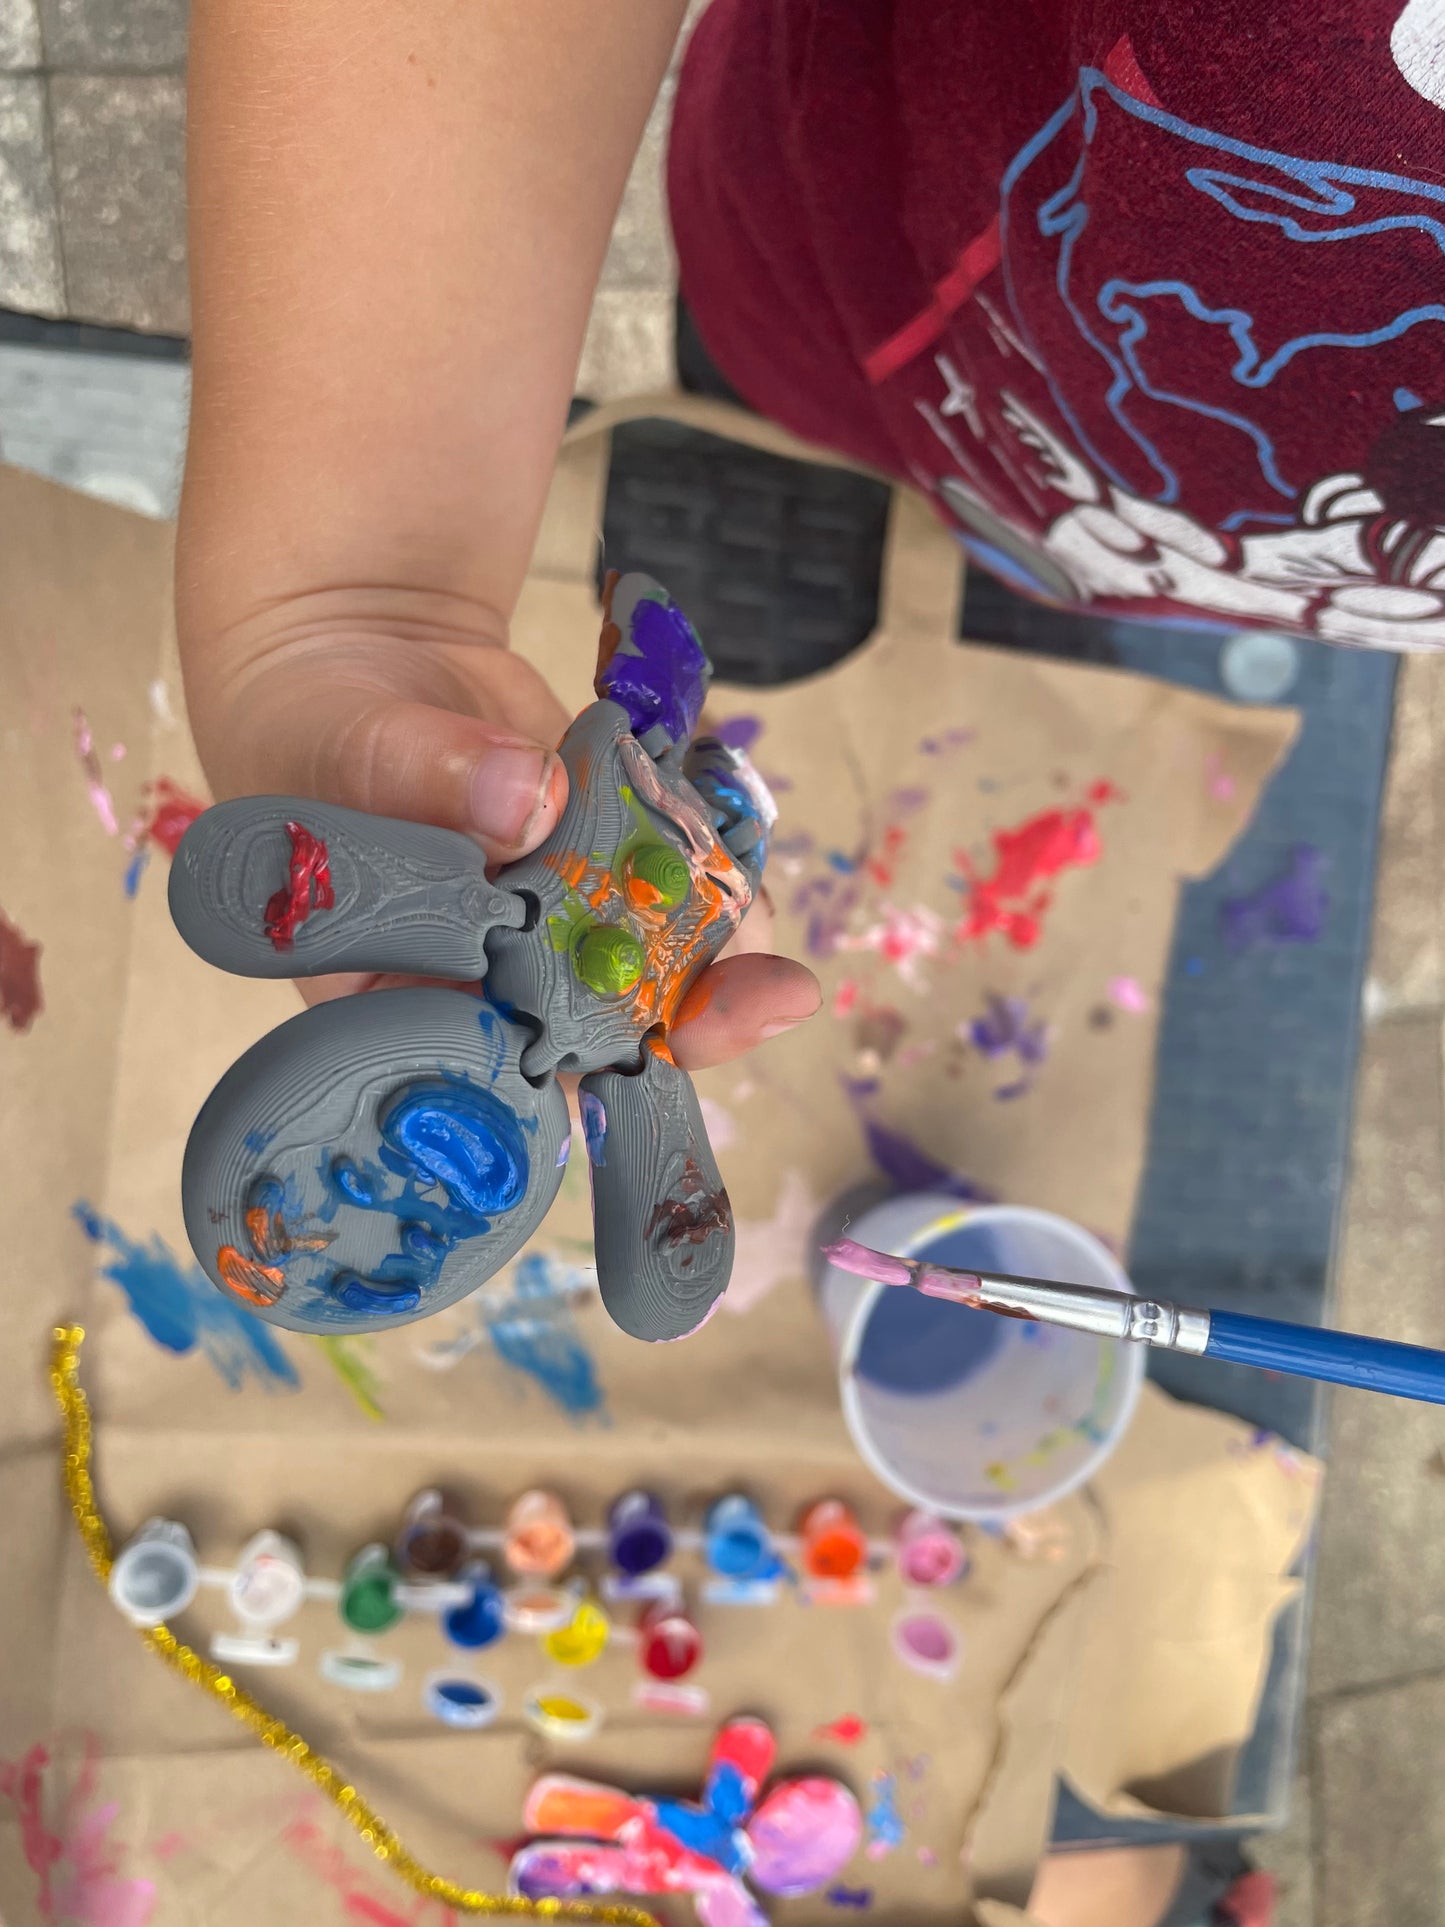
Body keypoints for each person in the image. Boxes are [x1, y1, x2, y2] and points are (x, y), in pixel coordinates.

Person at [178, 4, 1435, 1919]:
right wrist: (355, 581)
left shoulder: (627, 1071)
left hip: (1181, 534)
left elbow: (659, 1221)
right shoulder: (604, 993)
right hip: (860, 291)